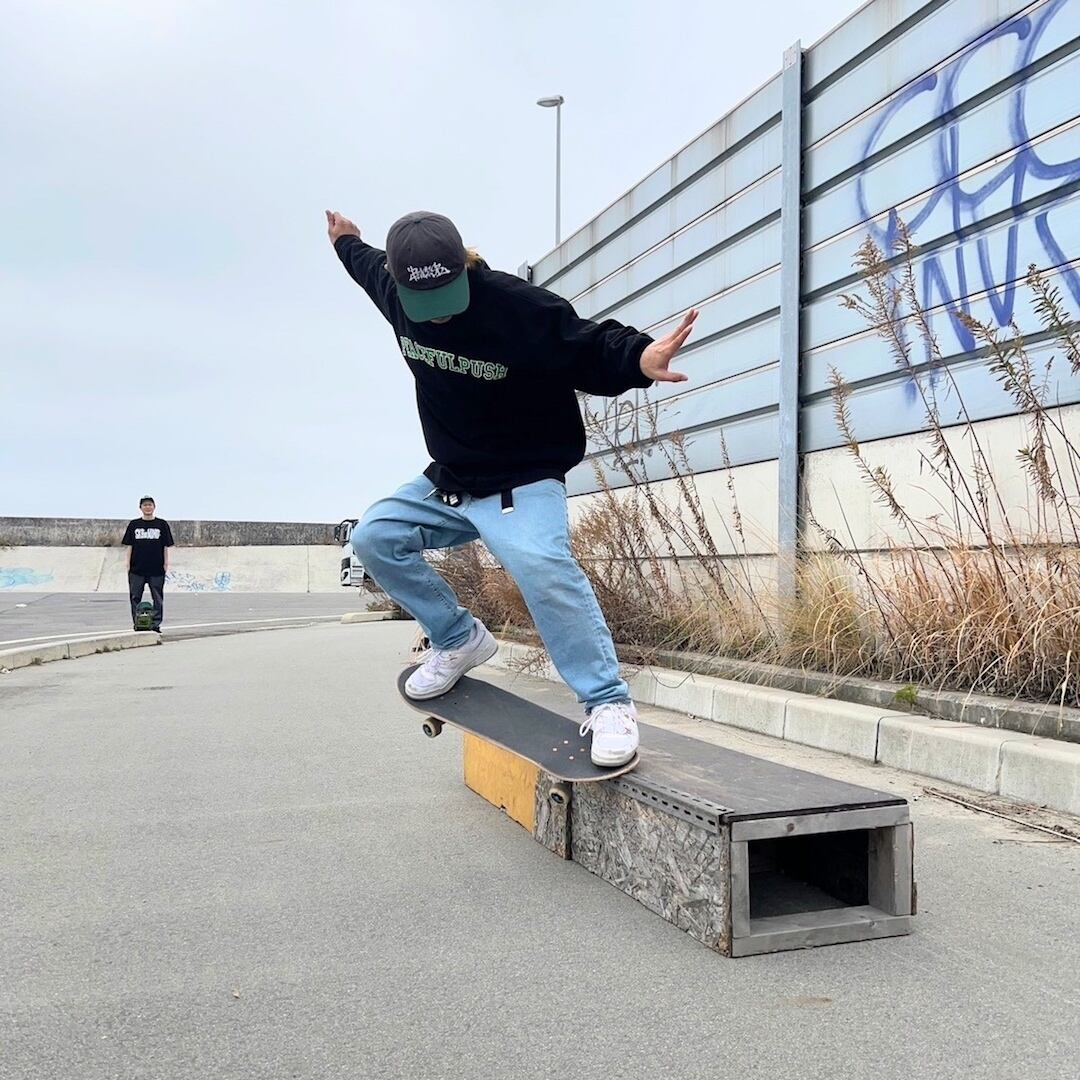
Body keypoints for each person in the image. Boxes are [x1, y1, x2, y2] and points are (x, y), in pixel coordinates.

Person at [327, 209, 696, 766]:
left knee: (541, 565)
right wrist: (345, 240)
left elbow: (588, 344)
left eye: (448, 297)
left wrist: (640, 359)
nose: (440, 314)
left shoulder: (515, 306)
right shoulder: (392, 290)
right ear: (400, 286)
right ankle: (458, 639)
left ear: (463, 267)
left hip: (524, 477)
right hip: (454, 478)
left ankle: (607, 702)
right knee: (374, 537)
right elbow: (364, 263)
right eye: (425, 304)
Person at [121, 497, 174, 633]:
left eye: (150, 505)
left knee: (157, 598)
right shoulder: (134, 524)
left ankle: (155, 624)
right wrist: (127, 563)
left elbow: (165, 546)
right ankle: (138, 623)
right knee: (135, 597)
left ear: (154, 507)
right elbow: (129, 546)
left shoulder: (161, 524)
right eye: (145, 505)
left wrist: (166, 563)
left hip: (156, 569)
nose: (147, 507)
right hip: (137, 568)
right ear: (140, 508)